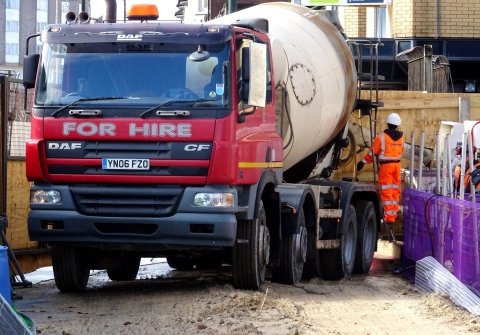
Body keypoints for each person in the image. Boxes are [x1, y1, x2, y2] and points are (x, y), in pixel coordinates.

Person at [356, 113, 404, 225]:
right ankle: (393, 215)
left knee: (386, 190)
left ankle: (388, 217)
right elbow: (401, 150)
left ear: (387, 124)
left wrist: (363, 162)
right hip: (397, 166)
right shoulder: (402, 138)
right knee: (395, 190)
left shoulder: (381, 137)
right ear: (397, 125)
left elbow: (372, 152)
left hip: (386, 166)